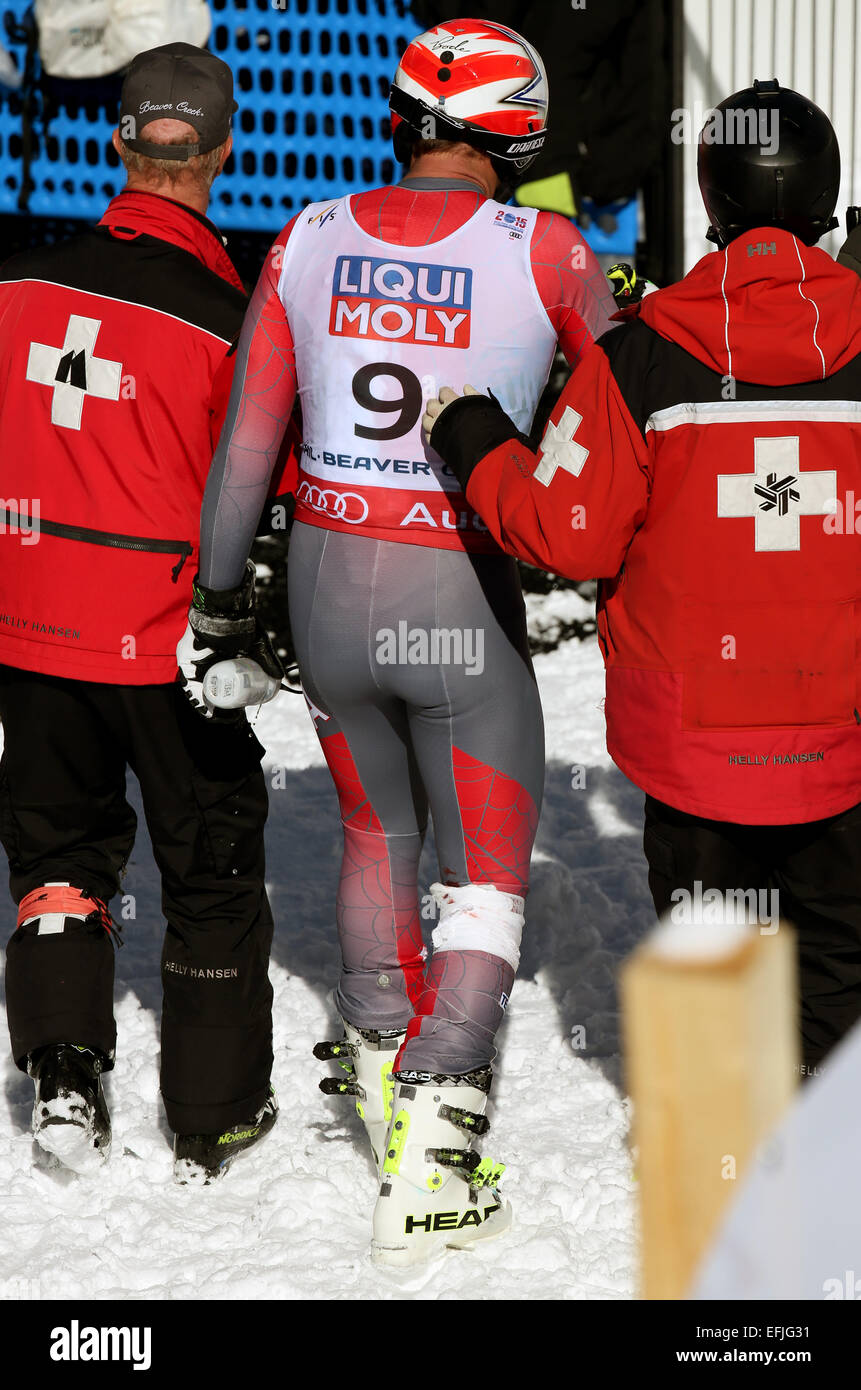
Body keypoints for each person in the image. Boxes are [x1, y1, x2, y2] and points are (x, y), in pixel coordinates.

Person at [183, 17, 615, 1262]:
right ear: (518, 131)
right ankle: (439, 1138)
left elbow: (245, 455)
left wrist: (220, 603)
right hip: (454, 582)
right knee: (482, 869)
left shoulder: (308, 237)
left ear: (402, 116)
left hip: (325, 575)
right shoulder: (553, 246)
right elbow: (627, 421)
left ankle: (381, 1058)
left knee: (375, 829)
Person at [425, 80, 861, 1081]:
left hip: (699, 753)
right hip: (842, 741)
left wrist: (474, 432)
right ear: (825, 202)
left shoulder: (642, 356)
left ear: (713, 198)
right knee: (837, 976)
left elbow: (563, 533)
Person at [0, 42, 280, 1182]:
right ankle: (211, 1115)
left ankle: (65, 1073)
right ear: (220, 155)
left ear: (120, 144)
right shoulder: (231, 321)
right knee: (210, 865)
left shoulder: (16, 287)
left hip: (31, 628)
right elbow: (265, 489)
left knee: (58, 852)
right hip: (168, 639)